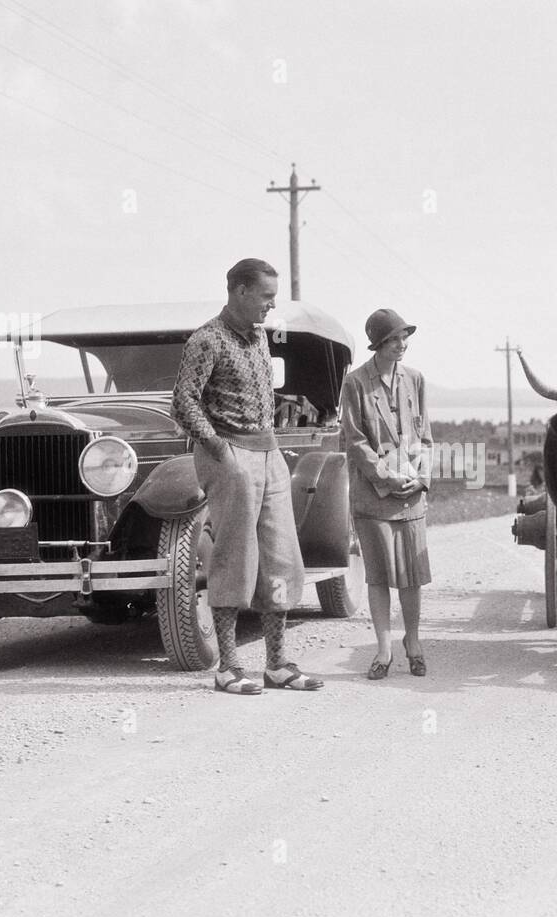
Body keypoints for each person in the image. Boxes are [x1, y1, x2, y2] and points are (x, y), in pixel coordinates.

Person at [171, 257, 322, 694]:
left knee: (280, 557)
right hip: (230, 454)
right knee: (234, 559)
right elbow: (183, 401)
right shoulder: (207, 339)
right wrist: (219, 448)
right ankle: (229, 668)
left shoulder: (258, 338)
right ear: (239, 291)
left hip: (268, 452)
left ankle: (277, 665)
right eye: (265, 297)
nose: (271, 306)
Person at [339, 309, 433, 680]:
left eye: (405, 337)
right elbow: (356, 442)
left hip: (411, 495)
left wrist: (421, 478)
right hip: (373, 496)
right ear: (378, 343)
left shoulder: (416, 380)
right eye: (394, 339)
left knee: (411, 576)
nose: (402, 344)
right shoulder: (355, 384)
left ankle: (414, 642)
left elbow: (425, 436)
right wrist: (388, 478)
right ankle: (383, 649)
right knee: (378, 577)